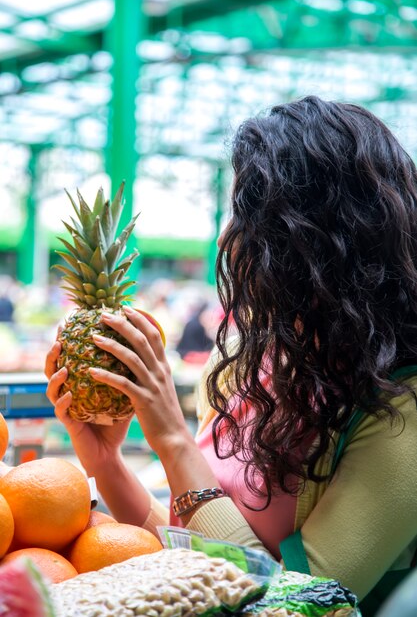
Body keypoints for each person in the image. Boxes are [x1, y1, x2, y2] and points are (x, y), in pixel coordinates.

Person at [45, 96, 417, 617]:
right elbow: (191, 560)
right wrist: (105, 462)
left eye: (246, 214)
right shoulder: (247, 361)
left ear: (315, 240)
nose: (227, 238)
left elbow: (299, 604)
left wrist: (174, 440)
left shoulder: (402, 408)